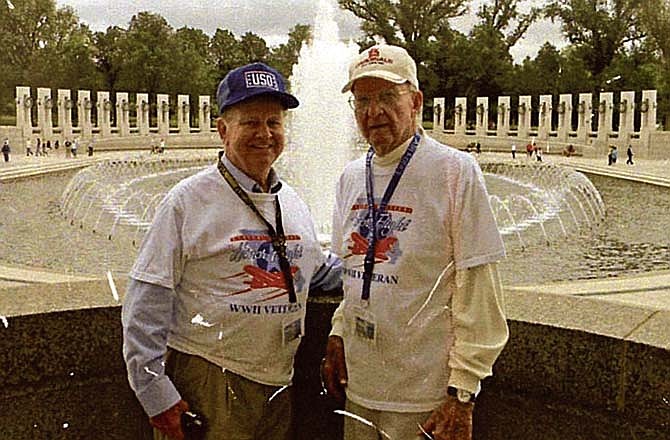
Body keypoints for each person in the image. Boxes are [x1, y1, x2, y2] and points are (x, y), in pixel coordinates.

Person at [122, 62, 342, 440]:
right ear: (223, 130)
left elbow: (317, 271)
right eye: (250, 122)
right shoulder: (187, 201)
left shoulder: (290, 201)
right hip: (210, 378)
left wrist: (388, 266)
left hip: (278, 382)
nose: (265, 134)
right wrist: (155, 393)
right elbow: (147, 298)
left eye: (274, 123)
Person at [323, 44, 508, 440]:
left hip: (424, 397)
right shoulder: (351, 177)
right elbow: (353, 273)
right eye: (363, 101)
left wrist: (463, 392)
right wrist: (338, 332)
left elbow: (477, 285)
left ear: (416, 101)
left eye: (388, 97)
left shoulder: (455, 171)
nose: (374, 112)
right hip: (360, 388)